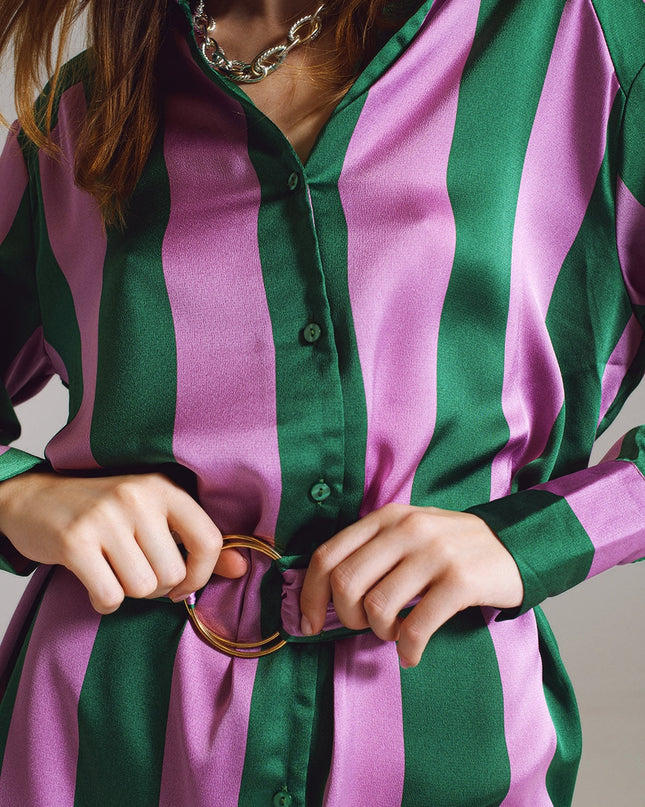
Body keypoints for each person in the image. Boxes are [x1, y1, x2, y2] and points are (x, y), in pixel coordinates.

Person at [0, 0, 643, 803]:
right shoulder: (81, 108)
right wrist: (18, 495)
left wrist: (527, 540)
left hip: (450, 739)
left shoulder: (588, 44)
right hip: (98, 741)